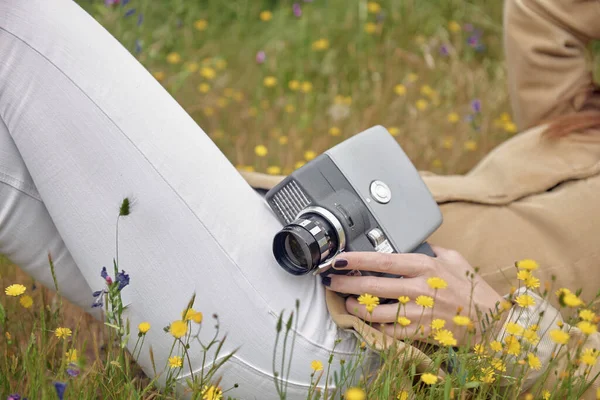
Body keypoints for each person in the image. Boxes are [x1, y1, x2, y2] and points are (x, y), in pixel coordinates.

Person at [0, 0, 598, 399]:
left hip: (357, 352)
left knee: (21, 25)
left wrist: (491, 323)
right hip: (286, 259)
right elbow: (545, 15)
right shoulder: (581, 126)